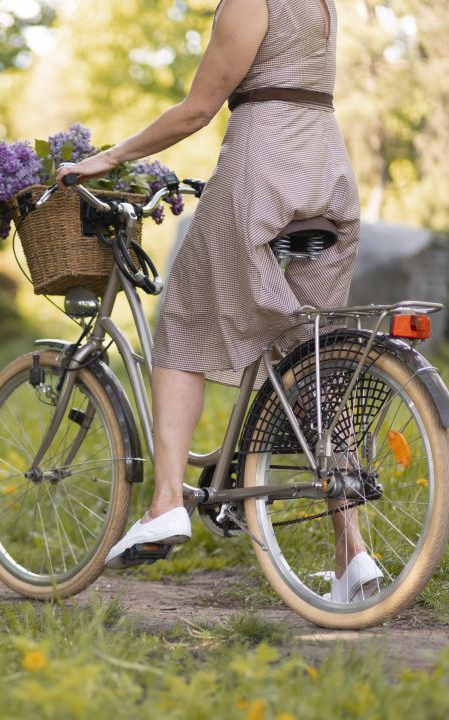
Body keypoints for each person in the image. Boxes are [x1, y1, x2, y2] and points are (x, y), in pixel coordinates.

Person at [55, 0, 382, 602]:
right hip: (327, 173)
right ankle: (352, 556)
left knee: (181, 321)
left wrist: (109, 157)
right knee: (307, 352)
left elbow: (198, 109)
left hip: (264, 168)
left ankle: (166, 505)